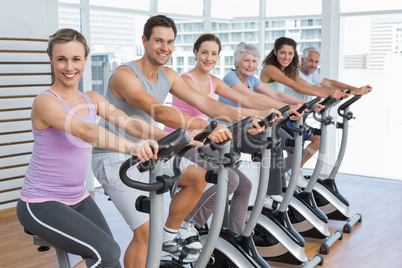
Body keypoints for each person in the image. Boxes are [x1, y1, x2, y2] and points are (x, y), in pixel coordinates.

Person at [91, 15, 268, 268]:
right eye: (159, 41)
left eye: (170, 42)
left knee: (198, 178)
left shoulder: (169, 75)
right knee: (144, 234)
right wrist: (209, 126)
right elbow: (158, 111)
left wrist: (247, 118)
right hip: (114, 155)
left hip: (151, 151)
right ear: (145, 40)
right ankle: (158, 239)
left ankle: (168, 237)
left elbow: (205, 103)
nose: (165, 47)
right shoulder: (125, 74)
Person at [16, 28, 162, 268]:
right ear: (51, 60)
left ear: (85, 60)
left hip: (79, 198)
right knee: (107, 254)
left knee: (110, 260)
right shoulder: (45, 101)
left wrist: (182, 137)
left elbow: (133, 125)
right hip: (40, 203)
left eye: (76, 59)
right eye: (61, 59)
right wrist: (133, 148)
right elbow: (86, 132)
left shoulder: (92, 99)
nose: (69, 67)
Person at [164, 34, 281, 240]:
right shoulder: (185, 80)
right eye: (204, 52)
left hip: (202, 140)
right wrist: (252, 115)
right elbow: (216, 108)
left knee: (245, 186)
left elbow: (245, 98)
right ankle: (187, 223)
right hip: (181, 144)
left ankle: (236, 237)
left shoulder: (213, 81)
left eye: (214, 54)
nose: (209, 58)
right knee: (230, 179)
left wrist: (269, 111)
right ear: (195, 53)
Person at [259, 37, 346, 169]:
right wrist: (326, 94)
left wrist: (348, 91)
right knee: (298, 150)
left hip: (281, 116)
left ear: (294, 55)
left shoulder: (287, 71)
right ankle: (288, 174)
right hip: (269, 119)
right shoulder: (270, 69)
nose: (286, 57)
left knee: (299, 149)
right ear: (275, 52)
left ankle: (289, 175)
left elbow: (310, 87)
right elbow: (296, 87)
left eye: (290, 53)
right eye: (283, 52)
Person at [296, 46, 372, 97]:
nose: (313, 65)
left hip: (301, 115)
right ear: (302, 60)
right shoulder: (295, 74)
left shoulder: (311, 73)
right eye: (310, 61)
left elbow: (330, 83)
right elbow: (314, 88)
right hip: (289, 116)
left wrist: (357, 89)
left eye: (316, 62)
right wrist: (354, 92)